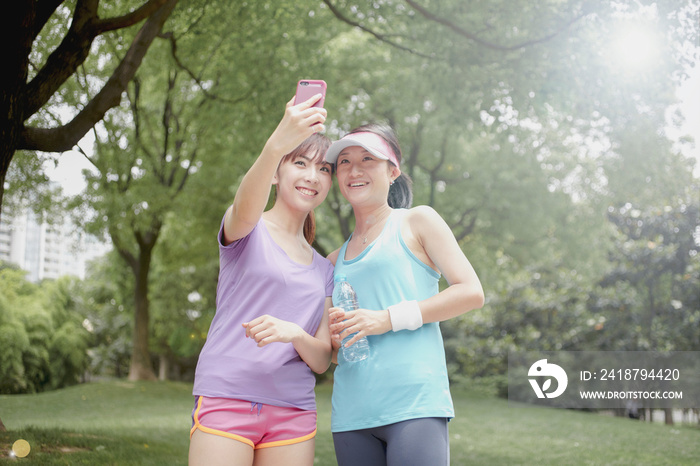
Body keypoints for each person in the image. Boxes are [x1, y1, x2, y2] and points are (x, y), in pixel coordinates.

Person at [324, 124, 485, 466]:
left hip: (415, 404)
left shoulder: (417, 221)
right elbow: (334, 353)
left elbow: (471, 292)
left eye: (368, 159)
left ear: (393, 171)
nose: (354, 170)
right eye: (344, 162)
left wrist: (386, 319)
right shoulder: (332, 261)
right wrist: (336, 340)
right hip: (352, 414)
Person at [189, 94, 334, 466]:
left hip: (293, 411)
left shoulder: (325, 270)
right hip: (227, 395)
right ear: (276, 173)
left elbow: (321, 359)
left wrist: (294, 334)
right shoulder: (247, 229)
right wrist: (276, 143)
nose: (312, 176)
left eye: (323, 169)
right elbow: (244, 205)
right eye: (300, 163)